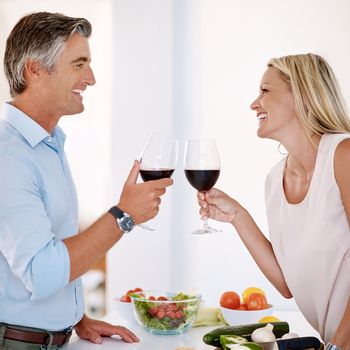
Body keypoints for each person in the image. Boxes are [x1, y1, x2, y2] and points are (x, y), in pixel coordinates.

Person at [0, 12, 173, 349]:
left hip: (51, 340)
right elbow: (41, 271)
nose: (90, 78)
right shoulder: (9, 155)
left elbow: (49, 244)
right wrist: (123, 216)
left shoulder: (47, 144)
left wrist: (76, 317)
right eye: (79, 64)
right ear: (34, 69)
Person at [198, 54, 350, 349]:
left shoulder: (343, 155)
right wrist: (238, 216)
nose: (254, 104)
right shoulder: (274, 180)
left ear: (303, 96)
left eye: (265, 91)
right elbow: (286, 284)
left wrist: (339, 343)